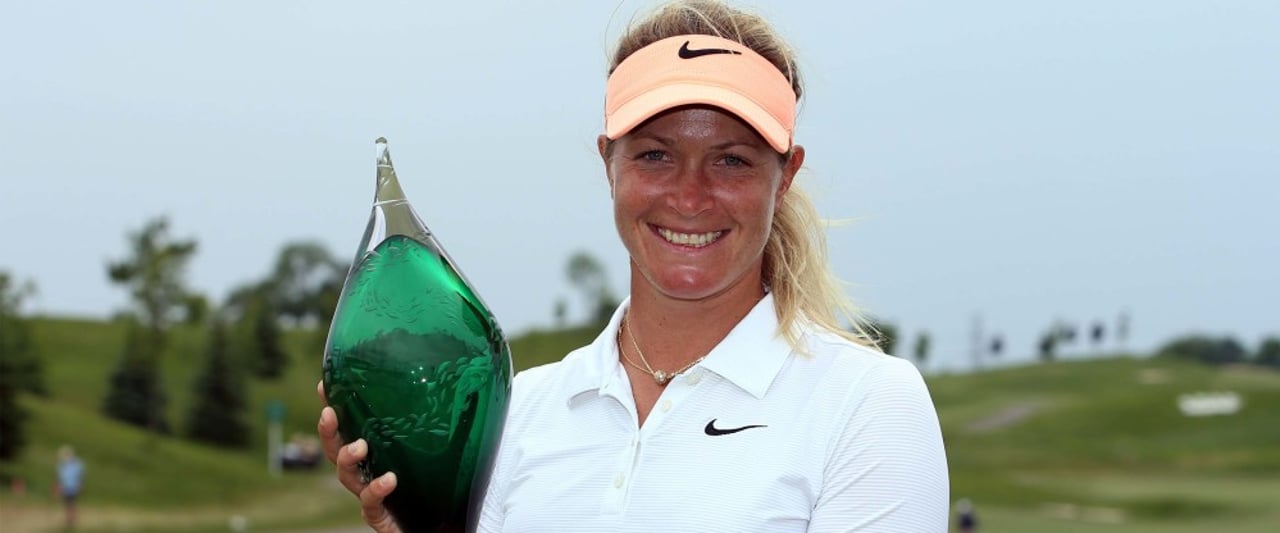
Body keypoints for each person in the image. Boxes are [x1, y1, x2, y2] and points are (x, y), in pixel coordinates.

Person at [317, 1, 949, 531]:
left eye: (732, 160)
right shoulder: (520, 409)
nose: (690, 196)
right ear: (608, 163)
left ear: (785, 177)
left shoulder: (867, 403)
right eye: (654, 155)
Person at [55, 445, 84, 530]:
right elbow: (59, 478)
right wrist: (58, 487)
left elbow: (80, 476)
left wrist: (80, 485)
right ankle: (69, 520)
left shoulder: (77, 464)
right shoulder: (61, 466)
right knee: (67, 504)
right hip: (65, 487)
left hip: (74, 487)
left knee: (72, 503)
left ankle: (72, 520)